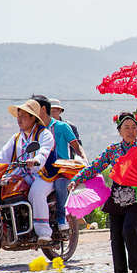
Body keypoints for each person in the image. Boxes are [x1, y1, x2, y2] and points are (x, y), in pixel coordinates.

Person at [69, 112, 137, 273]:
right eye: (126, 127)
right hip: (117, 196)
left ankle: (136, 264)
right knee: (116, 235)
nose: (131, 131)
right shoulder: (112, 150)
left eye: (134, 128)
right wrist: (76, 180)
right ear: (119, 131)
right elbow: (95, 167)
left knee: (129, 229)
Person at [0, 99, 56, 243]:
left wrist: (36, 160)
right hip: (21, 174)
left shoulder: (44, 134)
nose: (19, 119)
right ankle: (8, 227)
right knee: (1, 187)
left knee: (36, 192)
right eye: (18, 116)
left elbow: (44, 152)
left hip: (43, 175)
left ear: (33, 118)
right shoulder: (16, 138)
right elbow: (2, 155)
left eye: (23, 116)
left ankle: (44, 232)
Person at [31, 95, 86, 232]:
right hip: (41, 169)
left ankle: (62, 217)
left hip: (61, 168)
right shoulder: (35, 128)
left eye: (57, 110)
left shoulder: (63, 127)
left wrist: (84, 159)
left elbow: (76, 145)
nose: (54, 112)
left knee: (61, 184)